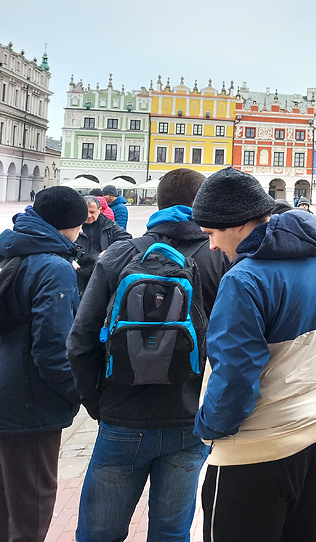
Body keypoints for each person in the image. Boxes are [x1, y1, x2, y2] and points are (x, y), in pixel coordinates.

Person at [67, 168, 230, 542]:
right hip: (189, 418)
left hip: (122, 413)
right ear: (201, 205)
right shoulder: (218, 257)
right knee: (172, 532)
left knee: (99, 533)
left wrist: (99, 403)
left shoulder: (121, 253)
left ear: (158, 203)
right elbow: (230, 343)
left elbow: (80, 340)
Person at [192, 167, 316, 542]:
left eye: (211, 233)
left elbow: (235, 374)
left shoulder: (244, 278)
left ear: (236, 224)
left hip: (258, 447)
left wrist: (208, 427)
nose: (211, 246)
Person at [0, 186, 87, 542]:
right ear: (69, 223)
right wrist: (76, 394)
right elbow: (53, 349)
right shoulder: (53, 266)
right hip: (30, 405)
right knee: (31, 511)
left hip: (8, 394)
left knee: (8, 506)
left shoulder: (11, 249)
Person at [73, 195, 131, 294]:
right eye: (85, 212)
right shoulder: (72, 225)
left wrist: (110, 250)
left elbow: (126, 240)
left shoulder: (109, 225)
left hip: (100, 271)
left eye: (92, 212)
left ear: (99, 210)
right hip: (77, 271)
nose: (88, 216)